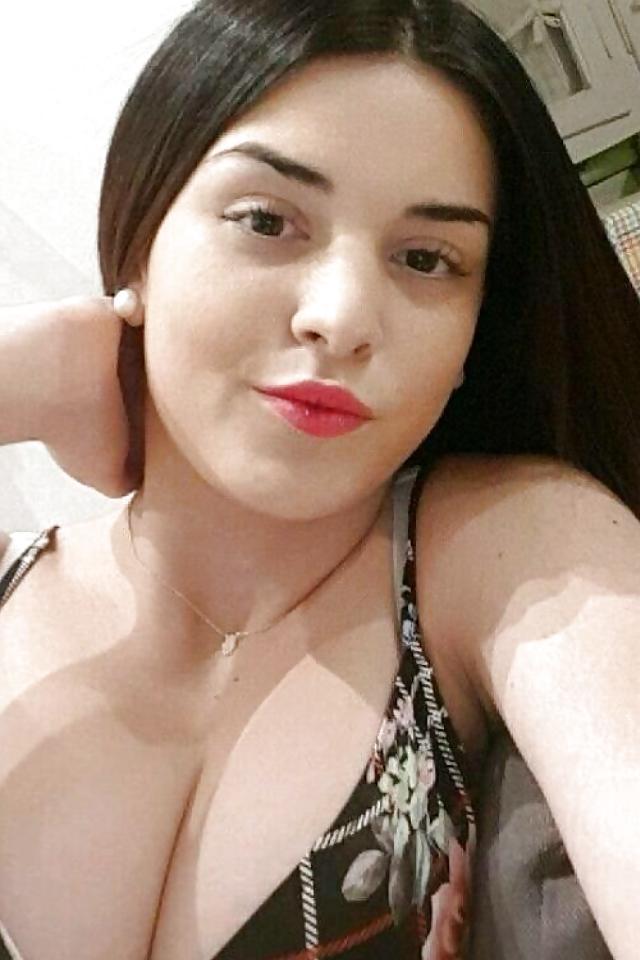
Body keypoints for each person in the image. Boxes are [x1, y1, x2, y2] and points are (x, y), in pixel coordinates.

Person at [0, 0, 639, 957]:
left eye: (427, 259)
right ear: (141, 242)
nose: (340, 318)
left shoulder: (504, 544)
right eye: (267, 220)